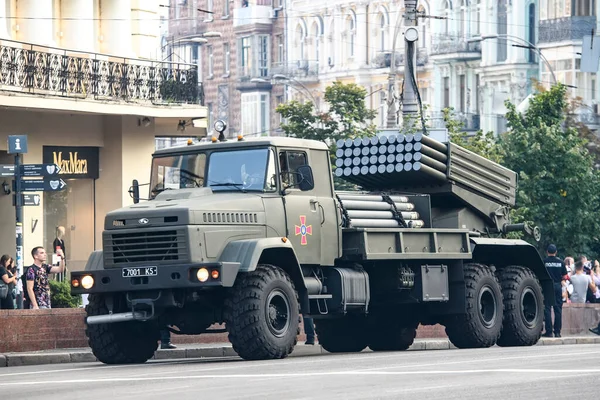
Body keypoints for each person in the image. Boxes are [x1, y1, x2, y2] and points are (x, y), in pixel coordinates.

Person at [543, 244, 567, 337]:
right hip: (557, 286)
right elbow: (564, 276)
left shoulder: (544, 262)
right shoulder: (561, 262)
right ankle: (557, 332)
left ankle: (548, 332)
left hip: (547, 286)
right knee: (558, 309)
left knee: (547, 309)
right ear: (556, 252)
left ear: (547, 252)